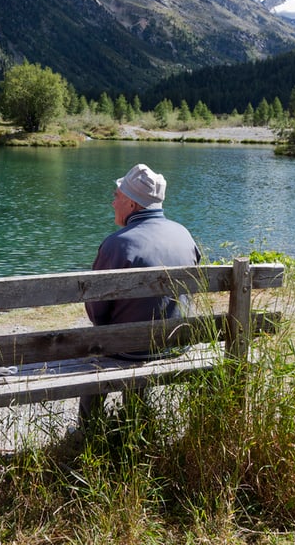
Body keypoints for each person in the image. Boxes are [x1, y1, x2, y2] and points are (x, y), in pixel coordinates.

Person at [80, 163, 201, 424]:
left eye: (117, 196)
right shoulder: (184, 234)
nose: (112, 202)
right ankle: (137, 418)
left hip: (128, 351)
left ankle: (88, 431)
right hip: (177, 344)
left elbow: (96, 312)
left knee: (103, 342)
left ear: (132, 205)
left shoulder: (118, 244)